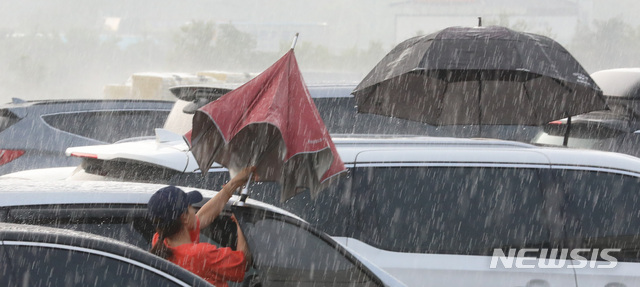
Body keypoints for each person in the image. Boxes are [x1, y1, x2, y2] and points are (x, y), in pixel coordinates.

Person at [147, 166, 255, 287]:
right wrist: (241, 222)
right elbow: (242, 263)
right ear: (184, 217)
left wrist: (234, 184)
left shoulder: (160, 242)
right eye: (190, 207)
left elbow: (203, 217)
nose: (194, 210)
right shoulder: (201, 255)